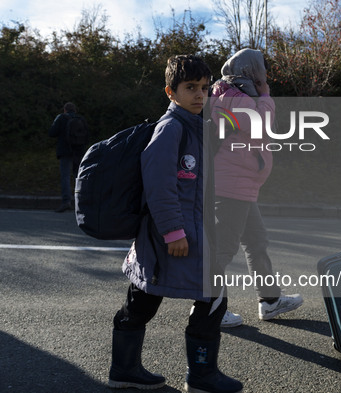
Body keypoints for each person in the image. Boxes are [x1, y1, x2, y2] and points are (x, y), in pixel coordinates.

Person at [108, 55, 242, 393]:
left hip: (185, 234)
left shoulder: (196, 126)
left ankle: (127, 370)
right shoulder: (171, 129)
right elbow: (159, 185)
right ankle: (199, 376)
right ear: (171, 91)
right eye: (190, 88)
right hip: (172, 236)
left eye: (205, 87)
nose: (200, 94)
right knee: (187, 298)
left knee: (155, 298)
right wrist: (173, 233)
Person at [209, 48, 303, 328]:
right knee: (224, 250)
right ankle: (210, 309)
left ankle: (270, 301)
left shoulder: (235, 93)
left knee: (257, 243)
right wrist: (265, 96)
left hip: (241, 184)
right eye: (261, 67)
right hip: (230, 185)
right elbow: (262, 127)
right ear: (250, 70)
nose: (265, 72)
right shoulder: (232, 96)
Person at [49, 102, 89, 212]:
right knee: (79, 176)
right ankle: (82, 201)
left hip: (65, 151)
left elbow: (52, 133)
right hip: (79, 152)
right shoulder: (81, 118)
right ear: (75, 110)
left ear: (64, 109)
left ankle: (66, 202)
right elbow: (87, 135)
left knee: (65, 177)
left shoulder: (61, 118)